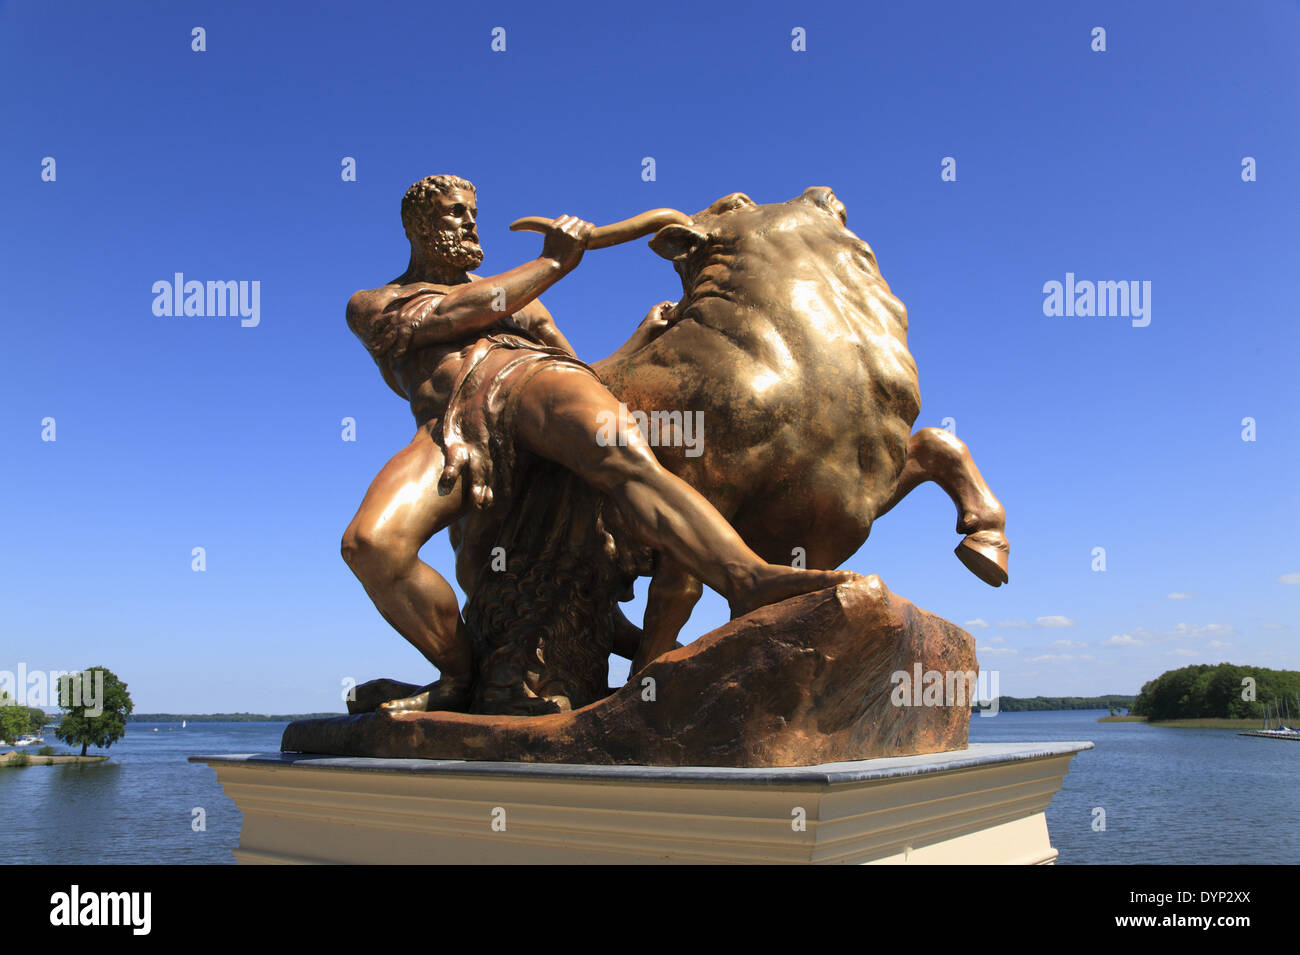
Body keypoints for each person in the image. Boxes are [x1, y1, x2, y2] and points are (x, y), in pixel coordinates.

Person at [342, 174, 853, 713]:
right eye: (453, 213)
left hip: (529, 379)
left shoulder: (526, 309)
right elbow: (451, 315)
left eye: (472, 211)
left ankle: (745, 577)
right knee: (370, 545)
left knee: (624, 455)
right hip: (453, 428)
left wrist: (637, 340)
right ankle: (457, 675)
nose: (469, 222)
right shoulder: (377, 302)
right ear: (418, 226)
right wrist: (553, 265)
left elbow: (586, 374)